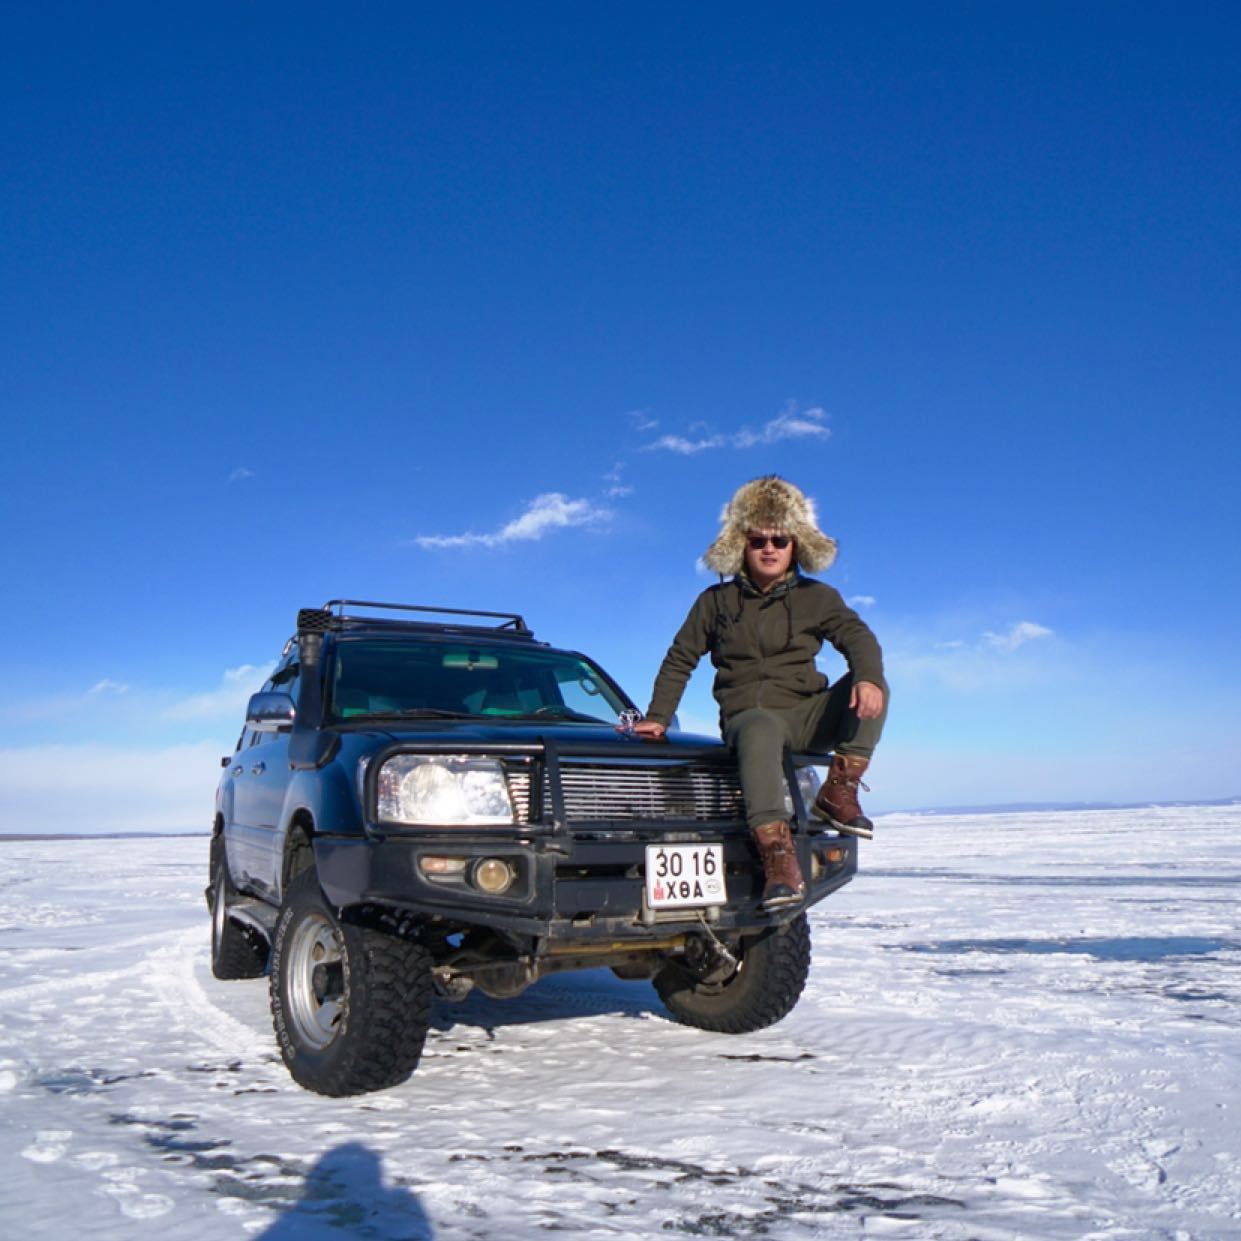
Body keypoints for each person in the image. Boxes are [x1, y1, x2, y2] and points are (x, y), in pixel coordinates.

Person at [628, 475, 888, 912]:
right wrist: (657, 716)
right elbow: (680, 658)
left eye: (779, 539)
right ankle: (778, 857)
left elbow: (858, 638)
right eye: (758, 539)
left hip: (806, 714)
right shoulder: (715, 602)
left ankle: (838, 790)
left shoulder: (818, 598)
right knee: (761, 726)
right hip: (749, 718)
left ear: (795, 545)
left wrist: (867, 677)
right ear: (741, 545)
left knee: (873, 682)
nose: (769, 548)